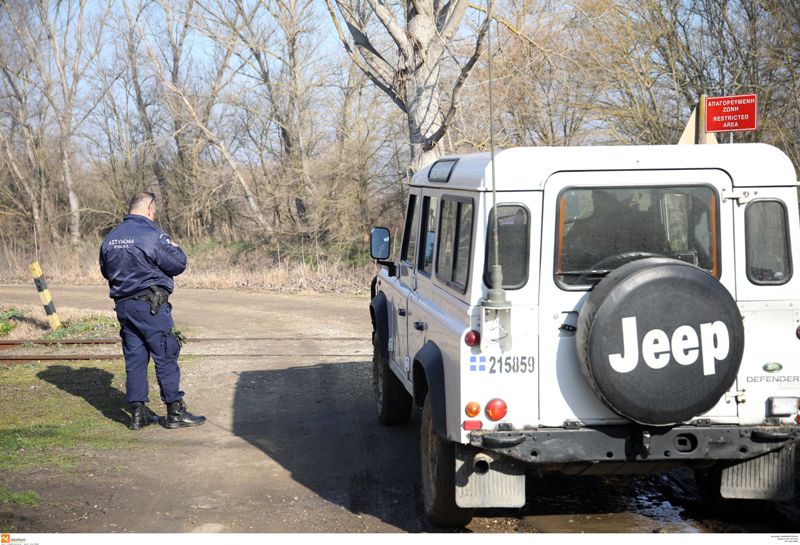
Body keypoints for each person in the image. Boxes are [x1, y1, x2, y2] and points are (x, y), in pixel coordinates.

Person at [99, 192, 206, 430]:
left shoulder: (111, 237)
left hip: (124, 307)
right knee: (166, 352)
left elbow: (106, 270)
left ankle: (138, 414)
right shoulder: (150, 234)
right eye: (154, 210)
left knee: (135, 359)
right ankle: (175, 411)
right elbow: (178, 264)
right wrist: (175, 247)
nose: (154, 214)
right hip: (151, 306)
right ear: (149, 209)